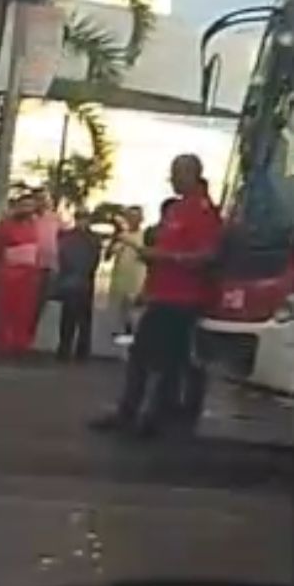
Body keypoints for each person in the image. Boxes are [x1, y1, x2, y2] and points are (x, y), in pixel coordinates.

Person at [92, 155, 222, 438]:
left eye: (176, 174)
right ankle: (135, 413)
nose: (172, 180)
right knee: (145, 356)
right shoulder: (176, 210)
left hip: (183, 299)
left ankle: (151, 417)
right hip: (163, 294)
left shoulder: (203, 213)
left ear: (191, 174)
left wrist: (166, 257)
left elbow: (207, 256)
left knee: (165, 361)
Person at [0, 192, 43, 358]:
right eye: (24, 206)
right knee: (6, 310)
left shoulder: (35, 225)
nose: (27, 209)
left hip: (29, 274)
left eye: (30, 206)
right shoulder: (6, 225)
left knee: (25, 311)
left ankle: (21, 345)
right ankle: (4, 345)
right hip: (10, 272)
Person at [54, 209, 102, 362]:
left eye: (85, 218)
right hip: (76, 280)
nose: (83, 222)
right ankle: (68, 349)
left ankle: (77, 351)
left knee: (81, 318)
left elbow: (94, 259)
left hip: (80, 280)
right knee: (71, 317)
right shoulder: (75, 237)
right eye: (81, 218)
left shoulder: (89, 238)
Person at [107, 205, 147, 345]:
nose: (132, 219)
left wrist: (131, 242)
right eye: (129, 216)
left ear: (141, 219)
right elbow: (108, 256)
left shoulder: (145, 236)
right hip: (119, 284)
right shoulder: (121, 236)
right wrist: (115, 236)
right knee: (121, 319)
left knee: (136, 318)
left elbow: (146, 254)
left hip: (137, 283)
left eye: (135, 216)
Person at [31, 187, 61, 339]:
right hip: (32, 265)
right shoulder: (30, 218)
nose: (42, 202)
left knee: (42, 301)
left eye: (45, 199)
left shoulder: (55, 218)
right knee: (28, 301)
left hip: (50, 266)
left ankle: (31, 332)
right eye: (39, 199)